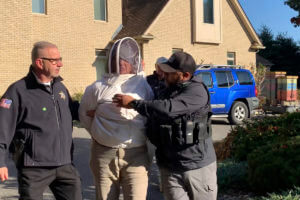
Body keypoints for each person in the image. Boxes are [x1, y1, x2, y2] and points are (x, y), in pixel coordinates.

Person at [113, 51, 218, 200]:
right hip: (170, 167)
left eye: (170, 72)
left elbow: (167, 109)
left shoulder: (197, 91)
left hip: (197, 167)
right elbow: (153, 112)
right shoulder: (166, 89)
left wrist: (133, 103)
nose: (164, 74)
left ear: (185, 75)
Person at [0, 41, 82, 200]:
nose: (60, 64)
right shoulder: (18, 91)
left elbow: (73, 110)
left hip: (65, 165)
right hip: (34, 168)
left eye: (60, 59)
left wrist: (97, 109)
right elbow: (2, 128)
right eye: (54, 60)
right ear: (39, 62)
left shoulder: (60, 88)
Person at [79, 37, 153, 200]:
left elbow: (151, 114)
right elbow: (84, 114)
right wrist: (99, 133)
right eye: (116, 59)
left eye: (124, 60)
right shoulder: (97, 87)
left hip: (136, 155)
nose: (120, 63)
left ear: (134, 61)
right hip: (104, 154)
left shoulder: (144, 86)